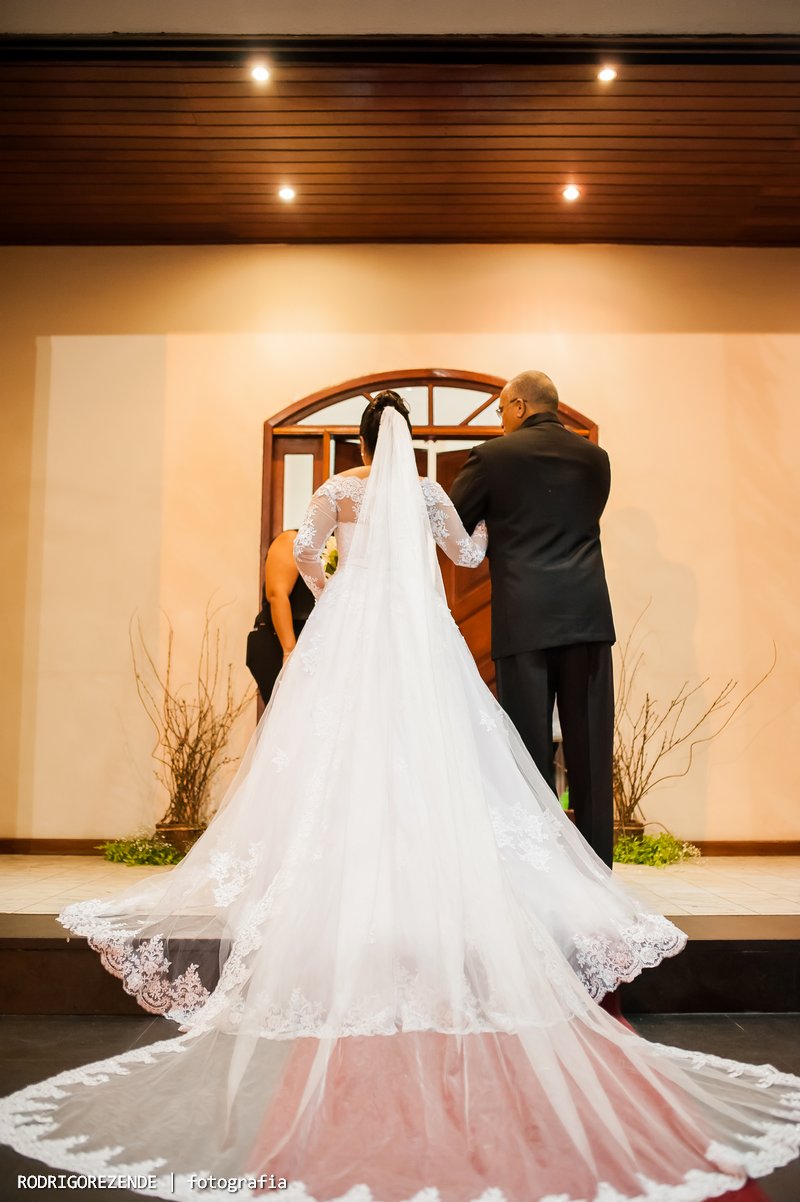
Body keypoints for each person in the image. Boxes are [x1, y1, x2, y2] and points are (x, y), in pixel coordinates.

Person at [1, 394, 797, 1202]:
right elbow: (470, 554)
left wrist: (338, 586)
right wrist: (490, 541)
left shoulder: (336, 492)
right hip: (423, 634)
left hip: (350, 632)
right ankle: (431, 866)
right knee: (437, 746)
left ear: (355, 441)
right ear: (408, 441)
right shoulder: (428, 494)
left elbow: (303, 555)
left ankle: (348, 867)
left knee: (338, 750)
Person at [450, 370, 616, 867]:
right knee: (589, 755)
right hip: (587, 617)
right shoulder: (595, 458)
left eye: (501, 411)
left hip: (524, 620)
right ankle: (598, 876)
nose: (500, 421)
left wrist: (494, 522)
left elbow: (455, 520)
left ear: (519, 406)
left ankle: (539, 875)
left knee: (528, 756)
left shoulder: (492, 458)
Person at [246, 530, 315, 703]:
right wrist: (289, 651)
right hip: (279, 640)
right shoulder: (291, 540)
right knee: (287, 712)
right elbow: (277, 595)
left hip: (313, 643)